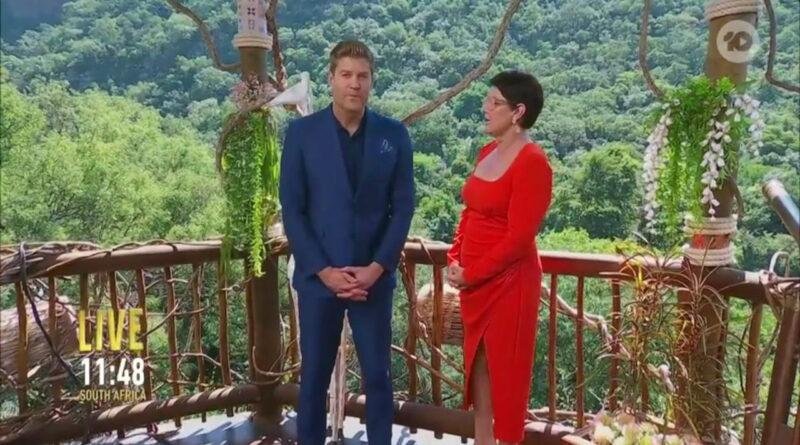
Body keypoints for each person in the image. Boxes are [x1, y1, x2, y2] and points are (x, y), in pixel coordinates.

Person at [279, 40, 415, 445]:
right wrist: (324, 271)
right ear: (331, 78)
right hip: (319, 279)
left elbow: (402, 208)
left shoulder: (393, 135)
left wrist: (376, 268)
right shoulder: (302, 134)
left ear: (371, 81)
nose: (354, 84)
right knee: (313, 379)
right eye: (346, 75)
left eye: (362, 76)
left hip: (373, 280)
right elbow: (293, 209)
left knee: (378, 377)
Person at [446, 71, 552, 445]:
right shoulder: (487, 152)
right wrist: (455, 257)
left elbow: (519, 239)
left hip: (510, 285)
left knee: (504, 373)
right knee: (478, 368)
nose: (485, 107)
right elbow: (470, 212)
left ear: (518, 111)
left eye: (494, 102)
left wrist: (472, 273)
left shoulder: (533, 162)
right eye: (487, 100)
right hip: (474, 284)